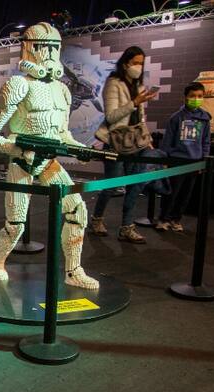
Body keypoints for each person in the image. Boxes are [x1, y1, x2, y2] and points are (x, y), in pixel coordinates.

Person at [0, 22, 98, 289]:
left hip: (47, 162)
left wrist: (79, 149)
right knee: (16, 225)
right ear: (29, 48)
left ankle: (73, 271)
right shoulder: (18, 85)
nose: (50, 53)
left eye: (55, 47)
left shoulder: (62, 90)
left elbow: (62, 134)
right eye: (44, 47)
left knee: (77, 210)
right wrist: (16, 149)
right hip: (21, 161)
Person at [90, 46, 159, 244]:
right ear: (125, 63)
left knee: (135, 185)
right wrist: (134, 102)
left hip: (137, 142)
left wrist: (147, 139)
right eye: (135, 62)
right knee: (111, 185)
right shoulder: (114, 83)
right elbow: (112, 117)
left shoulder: (138, 85)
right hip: (117, 141)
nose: (138, 67)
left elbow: (140, 117)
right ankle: (97, 219)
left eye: (141, 63)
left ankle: (127, 227)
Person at [156, 82, 211, 232]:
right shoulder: (176, 118)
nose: (196, 99)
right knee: (171, 192)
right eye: (193, 96)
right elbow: (168, 140)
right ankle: (163, 219)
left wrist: (204, 159)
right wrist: (165, 160)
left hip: (194, 161)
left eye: (199, 96)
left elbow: (206, 141)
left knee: (186, 194)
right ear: (186, 97)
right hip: (177, 161)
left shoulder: (205, 119)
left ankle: (176, 219)